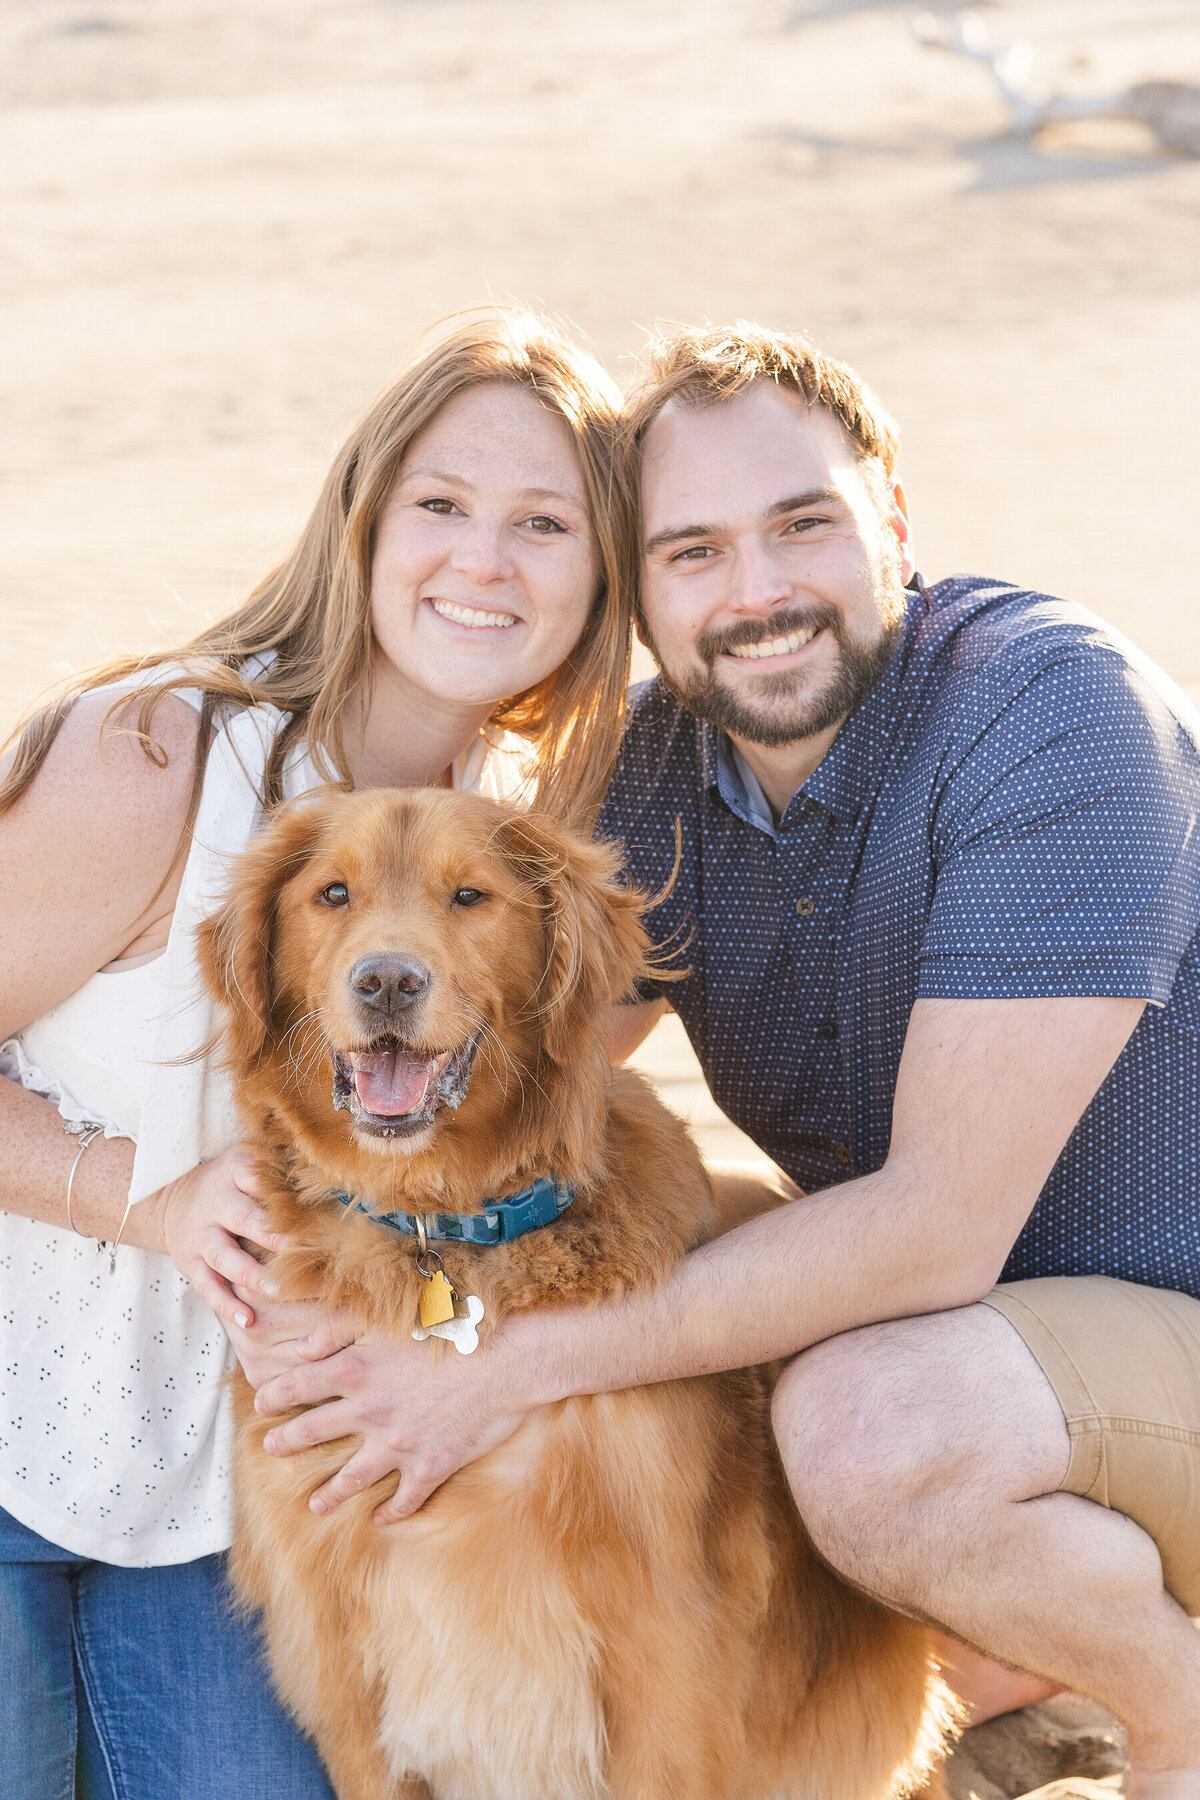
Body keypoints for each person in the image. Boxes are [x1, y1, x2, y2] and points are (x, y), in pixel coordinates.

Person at [253, 323, 1200, 1799]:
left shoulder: (1051, 716)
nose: (756, 594)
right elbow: (510, 1082)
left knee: (868, 1434)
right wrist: (314, 1269)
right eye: (693, 552)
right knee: (765, 1312)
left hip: (1152, 1315)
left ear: (892, 521)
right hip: (1003, 1365)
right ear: (643, 595)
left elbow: (934, 1228)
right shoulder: (657, 773)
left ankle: (1180, 1720)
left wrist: (490, 1374)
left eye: (801, 525)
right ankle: (1012, 1678)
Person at [0, 307, 634, 1800]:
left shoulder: (524, 864)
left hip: (234, 1511)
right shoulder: (155, 759)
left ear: (599, 580)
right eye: (442, 505)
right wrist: (130, 1193)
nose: (483, 559)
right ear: (360, 520)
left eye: (544, 524)